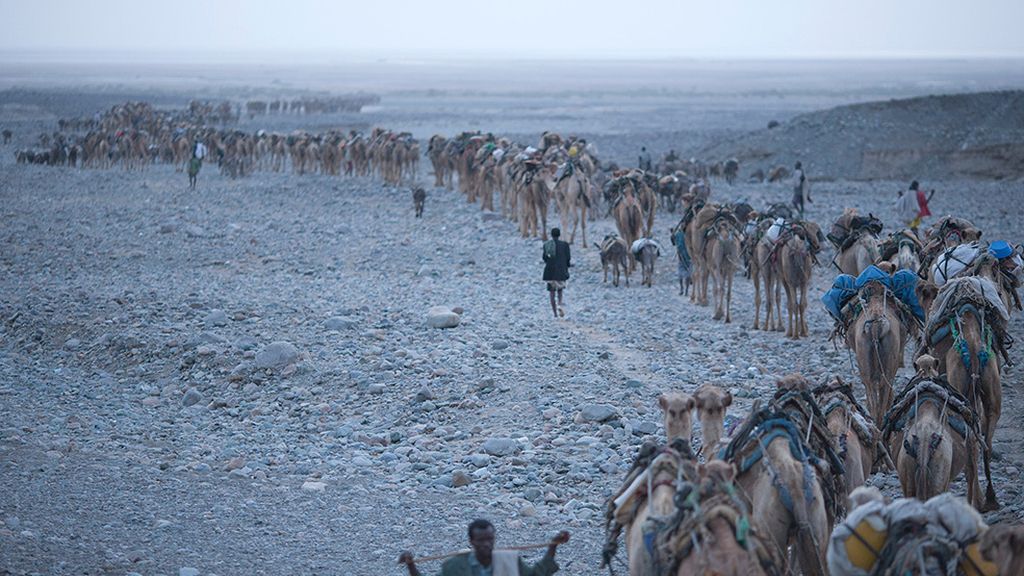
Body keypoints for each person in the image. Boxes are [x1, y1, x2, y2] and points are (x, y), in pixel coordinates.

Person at [399, 519, 569, 576]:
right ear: (472, 542)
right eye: (481, 540)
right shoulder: (455, 566)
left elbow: (536, 574)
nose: (486, 544)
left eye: (490, 539)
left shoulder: (509, 560)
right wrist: (411, 565)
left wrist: (553, 545)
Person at [542, 228, 571, 318]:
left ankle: (554, 314)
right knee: (560, 290)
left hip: (549, 271)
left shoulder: (547, 245)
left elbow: (544, 258)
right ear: (559, 235)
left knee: (551, 292)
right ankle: (559, 304)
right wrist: (566, 267)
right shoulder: (565, 245)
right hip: (561, 270)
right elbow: (568, 258)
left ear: (551, 235)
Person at [671, 223, 691, 295]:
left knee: (687, 276)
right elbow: (674, 242)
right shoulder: (679, 234)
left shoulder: (688, 235)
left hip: (688, 257)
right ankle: (682, 289)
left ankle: (685, 290)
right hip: (682, 257)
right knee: (681, 275)